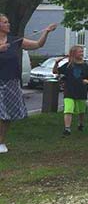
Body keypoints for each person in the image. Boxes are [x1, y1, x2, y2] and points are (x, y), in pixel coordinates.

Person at [0, 15, 56, 154]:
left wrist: (46, 32)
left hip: (11, 81)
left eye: (8, 21)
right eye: (5, 22)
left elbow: (37, 45)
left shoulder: (15, 40)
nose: (9, 24)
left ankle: (1, 142)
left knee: (7, 114)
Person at [53, 45, 88, 136]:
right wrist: (56, 63)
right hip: (69, 91)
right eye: (80, 52)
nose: (82, 53)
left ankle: (81, 124)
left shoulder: (86, 64)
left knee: (81, 110)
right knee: (68, 109)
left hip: (81, 91)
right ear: (74, 53)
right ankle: (67, 128)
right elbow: (55, 72)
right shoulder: (68, 65)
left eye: (82, 51)